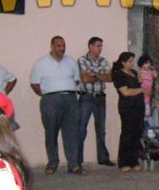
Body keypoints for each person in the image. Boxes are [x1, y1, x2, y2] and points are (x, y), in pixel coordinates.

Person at [30, 36, 83, 175]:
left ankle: (73, 164)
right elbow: (34, 84)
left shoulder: (71, 62)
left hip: (70, 99)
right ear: (52, 46)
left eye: (63, 45)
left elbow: (76, 80)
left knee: (72, 132)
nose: (62, 48)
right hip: (51, 100)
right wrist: (49, 94)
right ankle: (52, 163)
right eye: (59, 45)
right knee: (51, 132)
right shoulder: (41, 63)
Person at [77, 37, 115, 167]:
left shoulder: (103, 61)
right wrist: (100, 76)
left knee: (101, 129)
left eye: (101, 46)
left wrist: (94, 75)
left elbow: (110, 78)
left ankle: (103, 158)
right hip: (86, 97)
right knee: (81, 129)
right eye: (98, 45)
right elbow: (85, 78)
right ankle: (77, 160)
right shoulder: (82, 60)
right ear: (90, 46)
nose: (100, 48)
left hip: (100, 97)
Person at [112, 52, 148, 172]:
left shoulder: (134, 73)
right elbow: (126, 92)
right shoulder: (119, 75)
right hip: (127, 107)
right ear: (123, 62)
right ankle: (124, 161)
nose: (132, 63)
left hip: (138, 106)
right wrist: (140, 90)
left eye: (133, 61)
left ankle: (134, 160)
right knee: (128, 133)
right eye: (130, 61)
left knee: (137, 132)